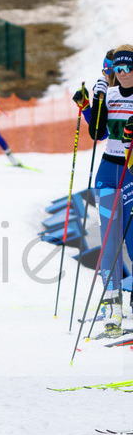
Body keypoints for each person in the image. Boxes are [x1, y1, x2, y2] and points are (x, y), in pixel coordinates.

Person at [87, 46, 133, 332]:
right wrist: (96, 100)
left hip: (130, 174)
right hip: (107, 173)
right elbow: (97, 133)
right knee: (110, 241)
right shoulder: (111, 94)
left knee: (132, 240)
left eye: (129, 68)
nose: (124, 74)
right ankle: (112, 304)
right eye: (119, 69)